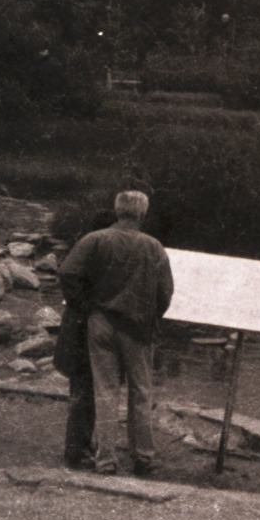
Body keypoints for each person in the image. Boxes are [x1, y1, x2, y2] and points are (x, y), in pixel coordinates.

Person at [57, 190, 174, 476]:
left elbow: (68, 274)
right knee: (141, 392)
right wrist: (152, 315)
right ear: (143, 213)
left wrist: (85, 307)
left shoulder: (95, 239)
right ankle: (143, 458)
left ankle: (105, 459)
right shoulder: (154, 246)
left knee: (105, 391)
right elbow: (166, 291)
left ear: (117, 210)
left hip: (101, 322)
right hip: (137, 327)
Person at [55, 210, 116, 469]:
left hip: (80, 325)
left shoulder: (88, 251)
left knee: (85, 391)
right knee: (83, 391)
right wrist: (87, 306)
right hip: (81, 329)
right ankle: (76, 451)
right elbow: (68, 277)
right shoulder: (91, 252)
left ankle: (80, 445)